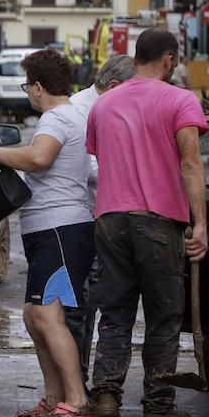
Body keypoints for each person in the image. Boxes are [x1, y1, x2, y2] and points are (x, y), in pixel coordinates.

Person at [87, 27, 209, 417]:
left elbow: (102, 158)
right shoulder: (180, 99)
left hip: (109, 220)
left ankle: (105, 396)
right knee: (163, 316)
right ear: (170, 60)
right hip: (157, 221)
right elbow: (191, 164)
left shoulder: (103, 105)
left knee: (115, 313)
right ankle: (158, 407)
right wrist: (201, 224)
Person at [0, 50, 95, 417]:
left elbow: (39, 158)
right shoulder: (67, 116)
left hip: (60, 228)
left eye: (28, 85)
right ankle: (53, 397)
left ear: (40, 87)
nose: (28, 92)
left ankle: (77, 400)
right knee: (34, 315)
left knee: (46, 315)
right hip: (50, 229)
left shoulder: (57, 119)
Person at [64, 54, 137, 390]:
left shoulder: (106, 104)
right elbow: (88, 168)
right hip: (84, 218)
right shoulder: (82, 111)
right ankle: (76, 383)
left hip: (104, 216)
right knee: (81, 307)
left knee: (97, 302)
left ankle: (82, 383)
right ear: (114, 86)